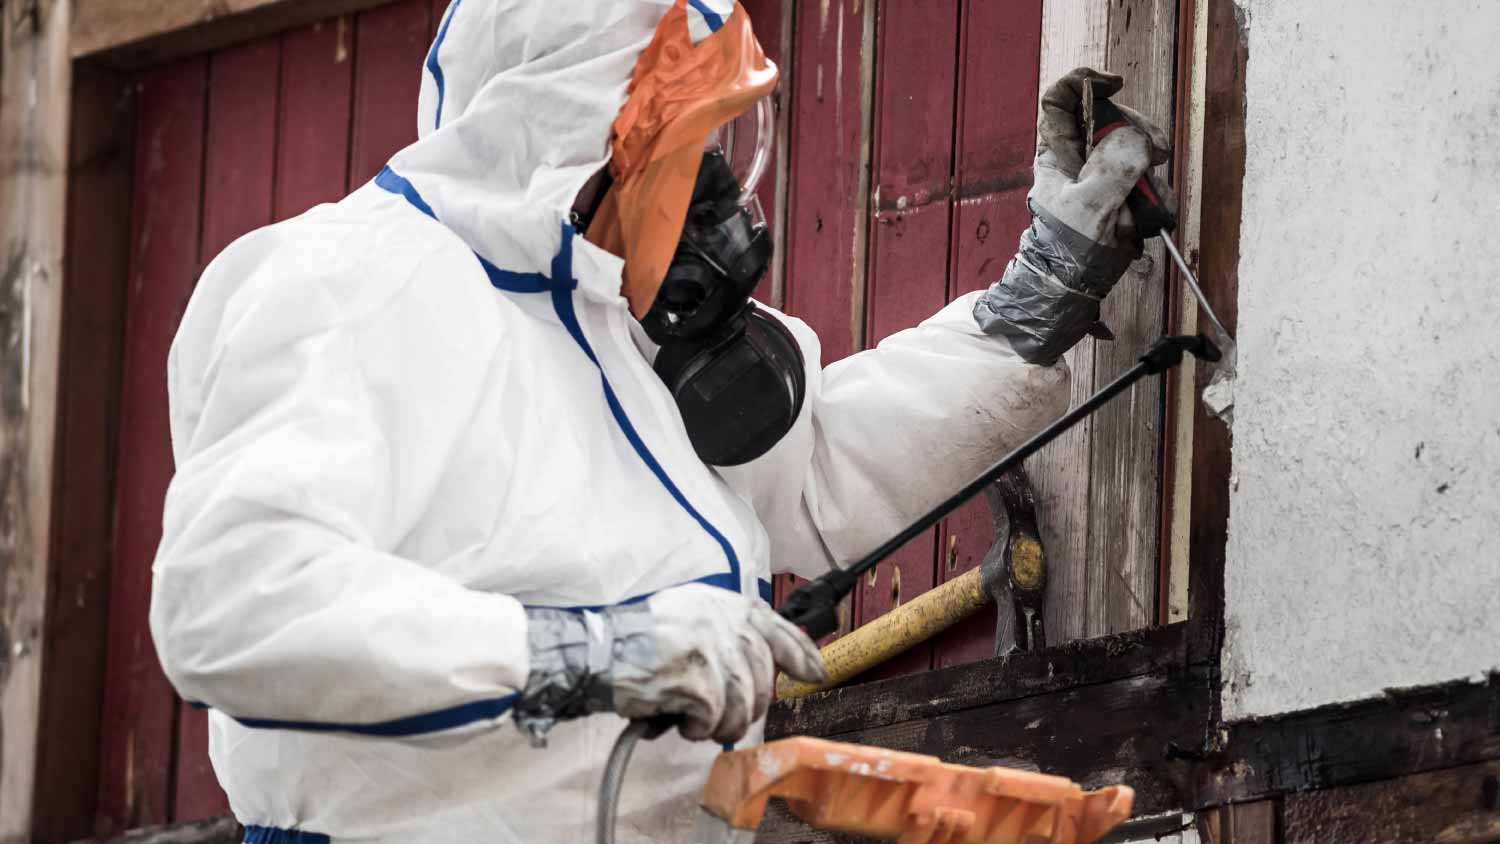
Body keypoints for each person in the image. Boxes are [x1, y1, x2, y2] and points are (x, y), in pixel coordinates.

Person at [148, 0, 1170, 841]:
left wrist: (1032, 308)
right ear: (580, 126)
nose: (717, 182)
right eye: (694, 143)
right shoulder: (354, 287)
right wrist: (592, 652)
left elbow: (810, 470)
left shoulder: (607, 314)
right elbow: (238, 600)